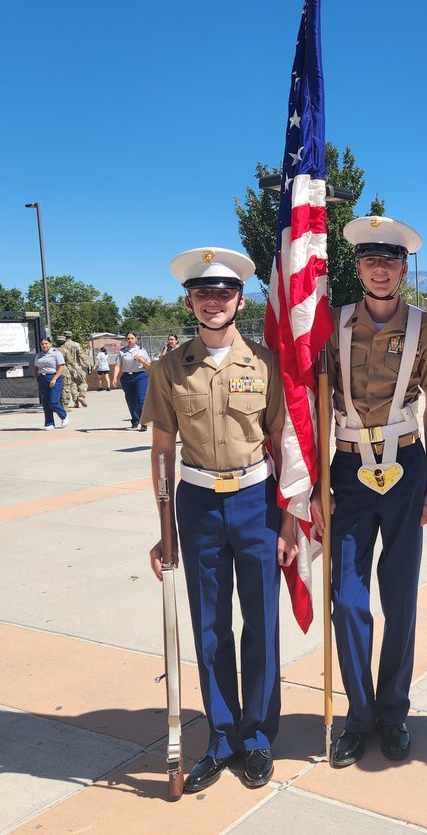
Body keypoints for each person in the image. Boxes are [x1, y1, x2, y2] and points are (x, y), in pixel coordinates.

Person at [143, 246, 298, 793]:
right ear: (189, 300)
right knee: (210, 627)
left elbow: (283, 445)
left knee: (260, 623)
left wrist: (289, 522)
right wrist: (166, 532)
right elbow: (163, 453)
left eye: (224, 293)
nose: (213, 302)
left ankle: (256, 738)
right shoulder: (168, 368)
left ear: (240, 299)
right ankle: (222, 737)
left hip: (256, 502)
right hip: (199, 504)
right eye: (203, 293)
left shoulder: (266, 364)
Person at [311, 216, 427, 769]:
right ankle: (358, 714)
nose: (380, 269)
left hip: (405, 468)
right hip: (347, 471)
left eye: (390, 260)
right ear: (358, 266)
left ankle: (393, 712)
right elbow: (316, 406)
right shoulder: (331, 325)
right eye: (370, 259)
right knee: (347, 599)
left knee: (400, 598)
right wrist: (318, 487)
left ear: (403, 268)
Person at [113, 331, 151, 430]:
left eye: (132, 338)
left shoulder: (142, 350)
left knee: (141, 399)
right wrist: (115, 377)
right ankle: (135, 420)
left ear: (136, 339)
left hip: (140, 376)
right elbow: (117, 365)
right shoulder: (122, 351)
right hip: (127, 377)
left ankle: (144, 422)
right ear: (126, 340)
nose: (130, 340)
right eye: (128, 338)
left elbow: (149, 366)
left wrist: (142, 361)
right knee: (130, 399)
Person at [33, 337, 67, 430]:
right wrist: (37, 377)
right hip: (43, 378)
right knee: (46, 403)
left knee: (53, 401)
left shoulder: (56, 353)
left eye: (46, 343)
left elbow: (61, 367)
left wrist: (54, 379)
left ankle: (63, 416)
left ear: (50, 344)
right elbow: (36, 367)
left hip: (53, 377)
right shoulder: (39, 355)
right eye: (42, 344)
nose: (44, 345)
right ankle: (49, 423)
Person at [58, 330, 90, 409]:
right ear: (71, 336)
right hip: (76, 366)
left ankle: (76, 402)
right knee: (83, 382)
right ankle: (81, 396)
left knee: (72, 384)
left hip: (66, 368)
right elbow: (82, 355)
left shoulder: (61, 346)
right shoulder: (76, 344)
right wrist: (87, 364)